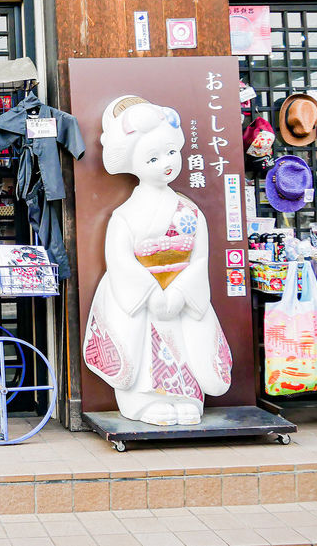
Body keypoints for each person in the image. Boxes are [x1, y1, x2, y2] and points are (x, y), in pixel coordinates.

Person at [82, 96, 233, 426]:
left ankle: (186, 398)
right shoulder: (125, 216)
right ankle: (142, 401)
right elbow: (120, 261)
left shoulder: (190, 211)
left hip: (180, 295)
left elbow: (199, 257)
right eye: (152, 157)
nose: (166, 163)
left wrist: (179, 293)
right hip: (145, 298)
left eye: (170, 153)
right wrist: (152, 294)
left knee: (185, 346)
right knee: (143, 350)